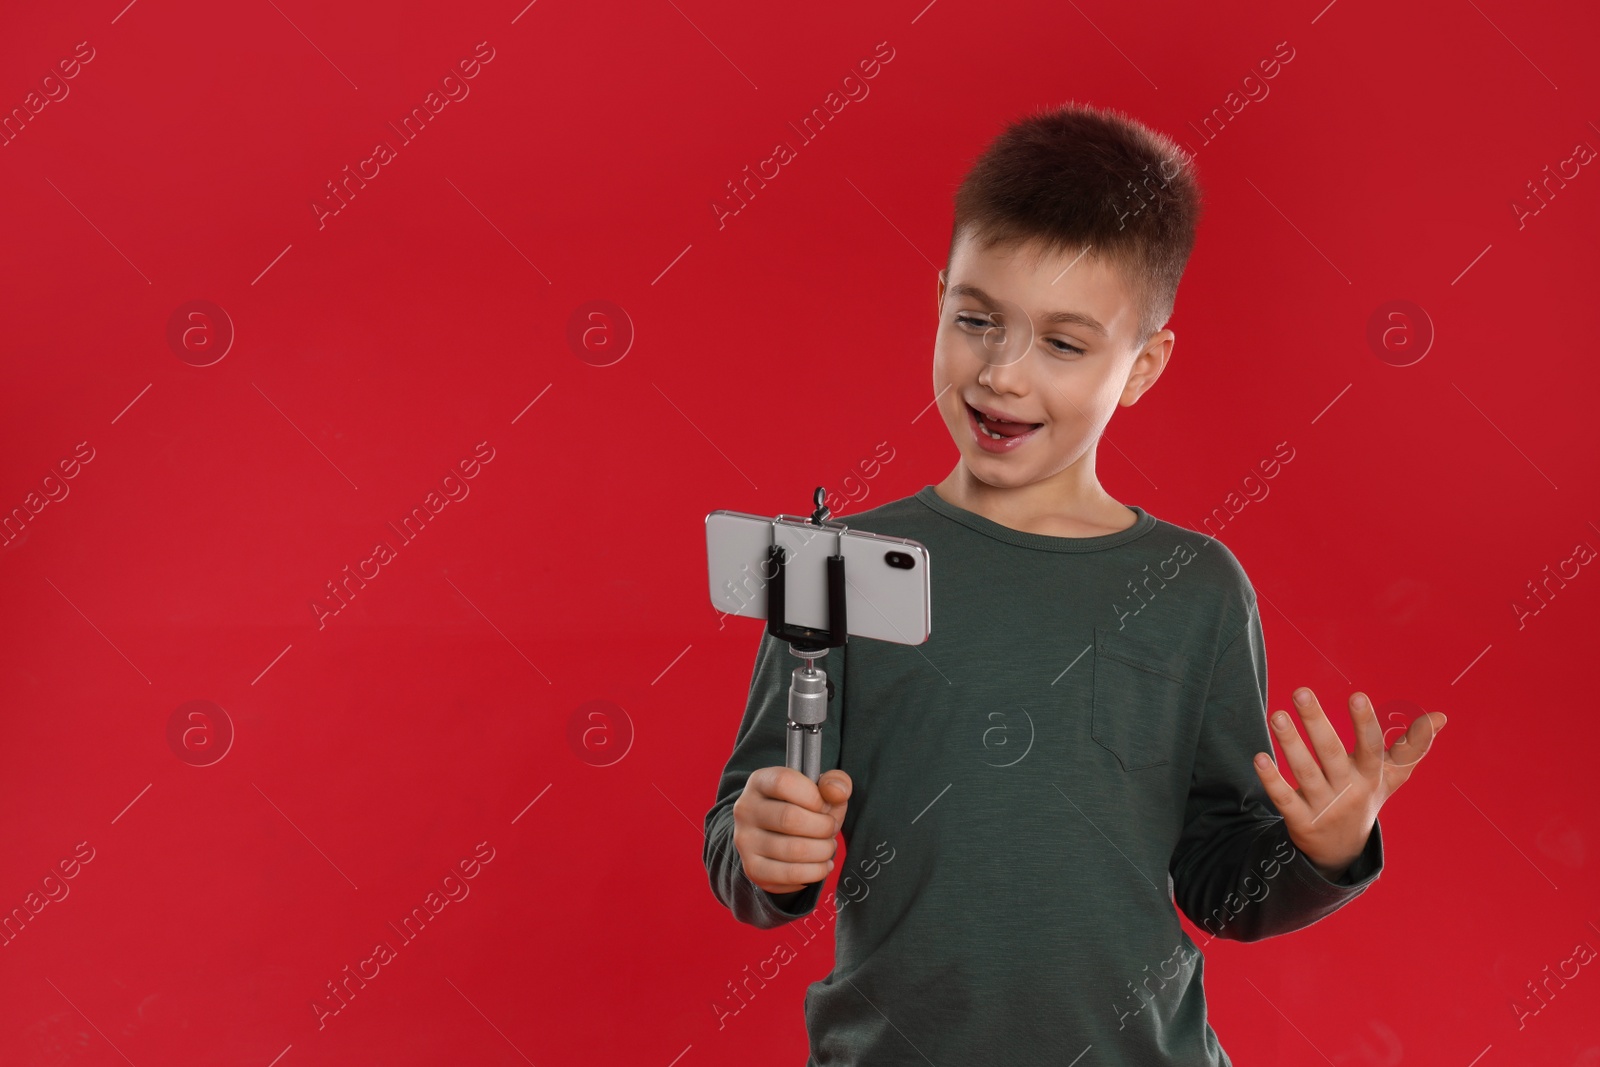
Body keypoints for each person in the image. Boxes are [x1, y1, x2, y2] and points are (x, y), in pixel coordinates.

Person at [701, 101, 1447, 1066]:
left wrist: (1325, 850)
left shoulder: (1194, 587)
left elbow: (1221, 881)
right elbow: (748, 836)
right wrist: (762, 848)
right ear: (938, 301)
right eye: (977, 320)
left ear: (1142, 367)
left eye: (1063, 343)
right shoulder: (832, 566)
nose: (1003, 374)